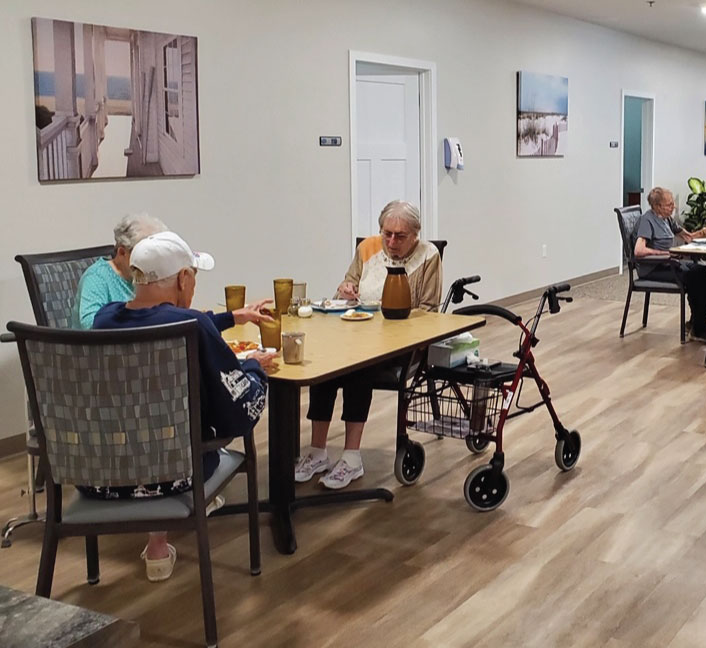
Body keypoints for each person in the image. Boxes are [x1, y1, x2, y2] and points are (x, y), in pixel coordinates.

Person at [91, 231, 275, 582]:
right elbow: (238, 416)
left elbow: (155, 318)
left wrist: (228, 318)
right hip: (178, 474)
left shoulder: (104, 320)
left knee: (145, 418)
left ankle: (157, 547)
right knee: (197, 418)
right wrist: (253, 368)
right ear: (183, 278)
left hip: (107, 474)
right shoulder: (191, 326)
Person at [296, 201, 443, 489]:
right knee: (325, 364)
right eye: (386, 233)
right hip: (357, 331)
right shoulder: (368, 249)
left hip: (400, 343)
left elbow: (429, 311)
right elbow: (348, 284)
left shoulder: (429, 256)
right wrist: (347, 290)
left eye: (400, 236)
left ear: (416, 234)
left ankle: (351, 458)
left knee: (357, 367)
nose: (391, 242)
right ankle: (318, 451)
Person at [633, 186, 706, 340]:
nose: (673, 207)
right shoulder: (647, 220)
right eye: (669, 205)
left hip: (670, 263)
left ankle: (696, 324)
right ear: (657, 206)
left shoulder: (666, 219)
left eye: (673, 203)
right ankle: (699, 329)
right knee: (696, 278)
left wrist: (705, 232)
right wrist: (667, 253)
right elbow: (639, 251)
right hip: (654, 268)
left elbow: (688, 237)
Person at [73, 213, 167, 328]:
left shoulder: (148, 277)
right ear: (122, 252)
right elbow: (89, 324)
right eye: (144, 255)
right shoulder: (97, 277)